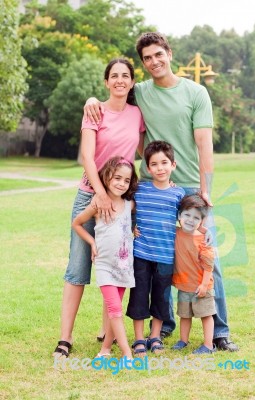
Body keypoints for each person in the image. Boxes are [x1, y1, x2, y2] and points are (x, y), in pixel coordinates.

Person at [84, 32, 239, 351]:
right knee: (154, 256)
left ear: (169, 53)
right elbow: (113, 96)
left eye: (158, 54)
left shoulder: (196, 92)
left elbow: (204, 143)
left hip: (190, 188)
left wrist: (205, 189)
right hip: (153, 188)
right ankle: (164, 323)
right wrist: (90, 102)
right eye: (147, 58)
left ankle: (220, 330)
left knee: (206, 255)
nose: (154, 62)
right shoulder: (140, 92)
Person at [53, 58, 145, 358]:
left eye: (125, 76)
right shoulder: (94, 110)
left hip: (120, 202)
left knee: (116, 265)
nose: (120, 80)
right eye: (114, 76)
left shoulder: (137, 114)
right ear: (106, 82)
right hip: (90, 196)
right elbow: (88, 158)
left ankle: (108, 334)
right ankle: (65, 338)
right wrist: (100, 194)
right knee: (78, 266)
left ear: (132, 82)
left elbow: (143, 150)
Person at [72, 156, 138, 359]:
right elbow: (76, 223)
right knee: (114, 308)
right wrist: (92, 242)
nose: (121, 183)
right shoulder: (97, 205)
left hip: (124, 265)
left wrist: (133, 231)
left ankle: (106, 349)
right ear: (106, 177)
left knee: (114, 311)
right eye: (117, 178)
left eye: (126, 180)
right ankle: (127, 353)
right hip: (104, 265)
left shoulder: (130, 205)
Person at [126, 141, 185, 355]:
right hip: (141, 253)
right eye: (154, 164)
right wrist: (131, 228)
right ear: (148, 168)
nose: (160, 168)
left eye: (164, 163)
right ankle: (139, 338)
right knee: (139, 294)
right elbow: (124, 209)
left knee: (161, 296)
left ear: (173, 165)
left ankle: (155, 336)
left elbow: (187, 220)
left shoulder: (178, 194)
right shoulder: (140, 189)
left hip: (166, 256)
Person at [172, 193, 216, 354]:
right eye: (187, 215)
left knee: (206, 314)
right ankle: (183, 340)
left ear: (201, 221)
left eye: (196, 218)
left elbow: (209, 265)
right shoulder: (175, 233)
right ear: (179, 216)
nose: (190, 220)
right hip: (184, 284)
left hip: (201, 285)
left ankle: (208, 345)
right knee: (185, 314)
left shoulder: (203, 240)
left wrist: (204, 285)